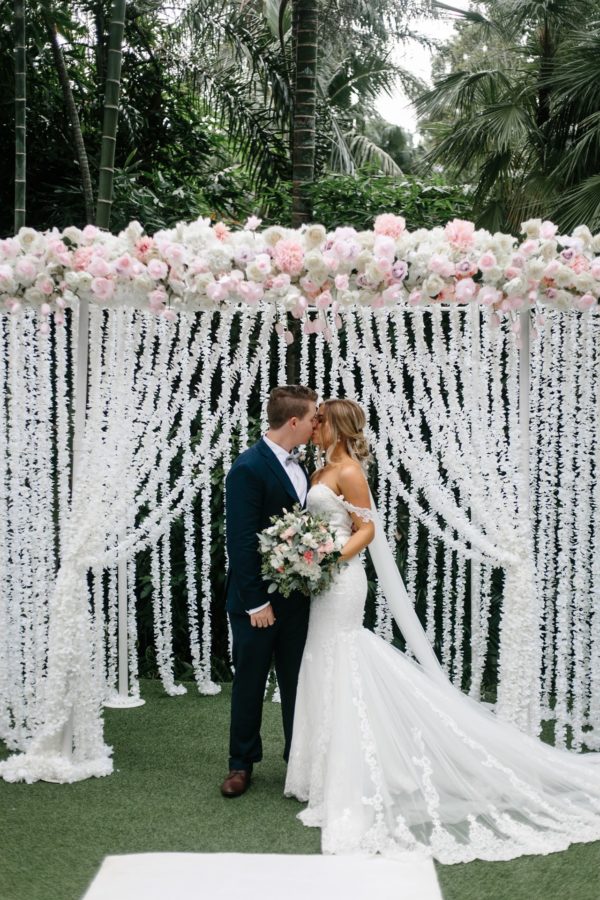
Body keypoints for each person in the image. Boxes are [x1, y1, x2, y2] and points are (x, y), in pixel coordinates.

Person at [284, 398, 600, 864]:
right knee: (321, 659)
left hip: (343, 581)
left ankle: (353, 773)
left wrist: (331, 558)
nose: (314, 427)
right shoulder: (318, 468)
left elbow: (367, 529)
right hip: (322, 584)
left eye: (321, 422)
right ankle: (320, 770)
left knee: (342, 660)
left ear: (336, 426)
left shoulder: (349, 469)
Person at [221, 385, 318, 798]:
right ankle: (240, 764)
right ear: (294, 421)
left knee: (299, 683)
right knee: (250, 683)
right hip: (256, 604)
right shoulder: (248, 467)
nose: (318, 425)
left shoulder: (304, 466)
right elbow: (240, 542)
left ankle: (297, 762)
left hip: (298, 600)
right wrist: (257, 601)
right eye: (314, 418)